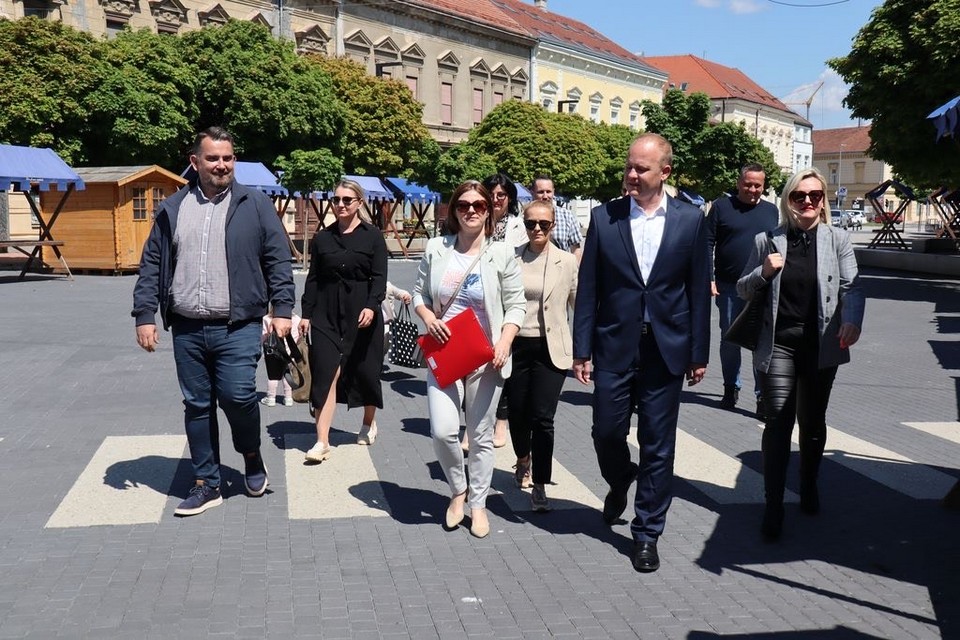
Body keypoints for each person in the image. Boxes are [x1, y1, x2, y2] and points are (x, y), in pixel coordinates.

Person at [132, 126, 295, 517]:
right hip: (187, 327)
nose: (222, 165)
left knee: (238, 396)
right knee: (197, 405)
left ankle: (251, 454)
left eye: (227, 158)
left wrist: (283, 309)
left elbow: (278, 259)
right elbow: (152, 262)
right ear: (195, 162)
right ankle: (206, 483)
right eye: (213, 158)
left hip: (238, 325)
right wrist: (145, 314)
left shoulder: (255, 204)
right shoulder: (173, 208)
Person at [573, 133, 711, 573]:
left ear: (664, 172)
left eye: (641, 168)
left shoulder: (690, 221)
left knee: (658, 445)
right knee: (606, 432)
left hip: (665, 349)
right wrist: (581, 349)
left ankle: (647, 532)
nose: (631, 174)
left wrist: (698, 353)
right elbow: (589, 288)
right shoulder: (605, 217)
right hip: (614, 345)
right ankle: (619, 480)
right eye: (629, 166)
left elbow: (698, 292)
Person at [736, 167, 864, 541]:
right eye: (799, 195)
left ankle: (809, 483)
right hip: (779, 344)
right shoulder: (767, 240)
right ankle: (773, 505)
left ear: (823, 200)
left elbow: (852, 287)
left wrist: (852, 320)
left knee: (812, 423)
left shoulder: (837, 239)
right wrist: (762, 272)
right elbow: (742, 288)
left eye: (815, 195)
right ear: (788, 200)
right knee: (778, 423)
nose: (807, 201)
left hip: (821, 345)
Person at [413, 180, 525, 538]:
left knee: (480, 436)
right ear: (454, 210)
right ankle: (457, 490)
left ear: (489, 210)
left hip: (486, 357)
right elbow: (418, 294)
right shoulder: (437, 248)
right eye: (464, 205)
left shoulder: (501, 253)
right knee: (443, 430)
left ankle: (478, 504)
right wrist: (428, 317)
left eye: (479, 205)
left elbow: (516, 305)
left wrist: (505, 341)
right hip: (445, 353)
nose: (471, 210)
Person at [299, 179, 388, 460]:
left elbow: (379, 278)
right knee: (326, 373)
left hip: (362, 312)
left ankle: (368, 422)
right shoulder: (323, 238)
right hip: (326, 313)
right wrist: (306, 314)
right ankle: (322, 441)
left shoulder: (373, 236)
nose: (340, 205)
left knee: (366, 371)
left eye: (347, 200)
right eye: (336, 199)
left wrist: (372, 306)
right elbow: (313, 279)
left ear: (359, 203)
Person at [507, 199, 578, 512]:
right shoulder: (511, 258)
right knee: (517, 413)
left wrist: (587, 350)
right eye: (530, 223)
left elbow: (579, 305)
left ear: (553, 225)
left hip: (552, 349)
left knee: (543, 418)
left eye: (544, 224)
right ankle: (523, 457)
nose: (537, 229)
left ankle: (540, 483)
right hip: (516, 346)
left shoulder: (567, 261)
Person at [707, 163, 780, 414]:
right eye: (748, 184)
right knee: (730, 340)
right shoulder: (721, 207)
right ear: (739, 183)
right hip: (728, 286)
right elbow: (706, 242)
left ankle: (762, 397)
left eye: (757, 185)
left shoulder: (771, 211)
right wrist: (709, 277)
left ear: (764, 186)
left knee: (761, 342)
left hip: (761, 285)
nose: (752, 189)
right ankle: (731, 388)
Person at [482, 172, 523, 450]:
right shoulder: (476, 221)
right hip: (480, 301)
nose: (496, 200)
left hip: (507, 302)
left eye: (501, 195)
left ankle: (501, 421)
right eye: (492, 195)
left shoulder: (518, 226)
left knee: (503, 361)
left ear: (509, 198)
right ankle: (476, 422)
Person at [532, 174, 583, 261]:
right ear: (532, 192)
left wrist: (574, 268)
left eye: (548, 192)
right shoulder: (524, 218)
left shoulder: (567, 216)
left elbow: (576, 249)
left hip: (561, 267)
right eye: (541, 192)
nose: (545, 196)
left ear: (553, 192)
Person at [261, 307, 302, 407]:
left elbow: (264, 336)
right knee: (287, 375)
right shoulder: (297, 319)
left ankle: (271, 397)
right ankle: (288, 397)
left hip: (274, 353)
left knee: (273, 376)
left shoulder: (267, 319)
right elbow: (299, 336)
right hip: (289, 354)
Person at [382, 280, 412, 357]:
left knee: (382, 347)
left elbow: (400, 292)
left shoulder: (388, 286)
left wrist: (406, 296)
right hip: (370, 323)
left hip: (387, 324)